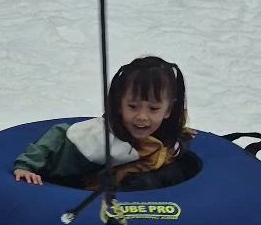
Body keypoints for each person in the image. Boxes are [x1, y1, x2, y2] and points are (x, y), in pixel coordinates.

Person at [13, 55, 196, 191]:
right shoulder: (101, 135)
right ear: (119, 105)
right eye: (132, 106)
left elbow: (167, 149)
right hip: (59, 174)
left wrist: (180, 134)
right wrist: (26, 166)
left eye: (153, 108)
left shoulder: (161, 133)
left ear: (168, 110)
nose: (142, 116)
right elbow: (59, 133)